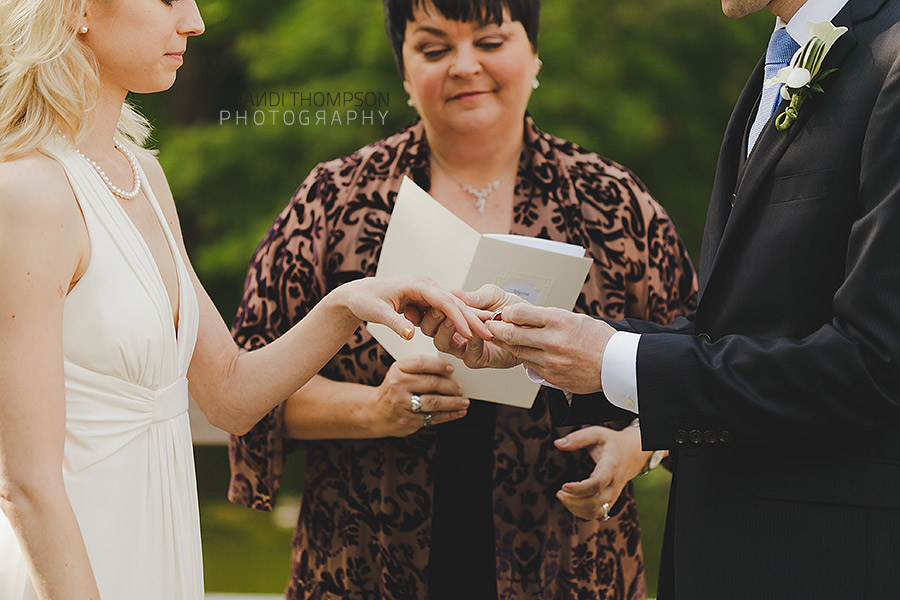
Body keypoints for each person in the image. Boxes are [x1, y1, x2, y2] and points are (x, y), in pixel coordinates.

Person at [0, 1, 487, 598]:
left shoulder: (141, 175)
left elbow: (229, 395)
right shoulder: (28, 195)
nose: (195, 20)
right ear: (77, 9)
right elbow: (26, 485)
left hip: (158, 547)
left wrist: (345, 304)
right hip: (72, 569)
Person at [226, 0, 696, 598]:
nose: (464, 65)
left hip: (565, 563)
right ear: (403, 70)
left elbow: (693, 359)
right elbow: (245, 386)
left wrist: (637, 448)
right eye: (434, 47)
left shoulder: (612, 202)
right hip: (366, 559)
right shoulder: (334, 200)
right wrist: (373, 408)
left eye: (491, 41)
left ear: (534, 57)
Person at [434, 0, 900, 598]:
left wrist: (612, 360)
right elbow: (739, 331)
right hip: (722, 556)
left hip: (826, 562)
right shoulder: (777, 64)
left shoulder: (889, 60)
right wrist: (544, 344)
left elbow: (875, 363)